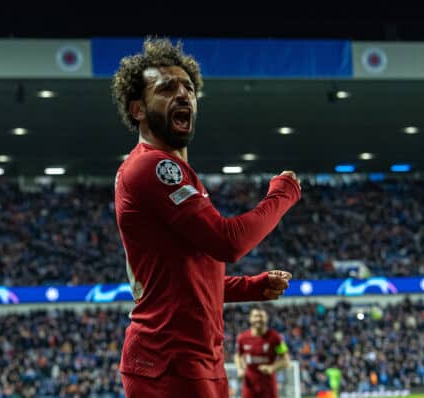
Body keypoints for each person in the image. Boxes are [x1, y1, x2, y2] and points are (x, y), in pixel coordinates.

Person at [112, 37, 302, 398]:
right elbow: (228, 242)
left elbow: (184, 279)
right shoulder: (152, 166)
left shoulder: (175, 171)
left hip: (196, 361)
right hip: (169, 362)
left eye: (188, 87)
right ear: (137, 109)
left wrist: (251, 287)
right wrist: (283, 194)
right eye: (166, 88)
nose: (183, 94)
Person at [234, 308, 291, 398]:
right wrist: (240, 368)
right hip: (249, 385)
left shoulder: (276, 338)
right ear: (250, 318)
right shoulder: (242, 338)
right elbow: (238, 355)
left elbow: (286, 360)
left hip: (268, 385)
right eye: (255, 316)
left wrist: (272, 367)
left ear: (266, 318)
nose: (258, 319)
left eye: (261, 316)